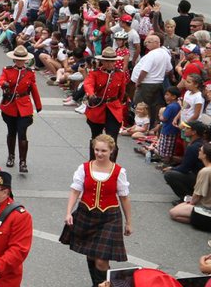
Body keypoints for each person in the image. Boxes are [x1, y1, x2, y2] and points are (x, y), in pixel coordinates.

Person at [65, 134, 133, 287]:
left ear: (111, 151)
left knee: (101, 260)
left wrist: (129, 222)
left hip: (110, 218)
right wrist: (69, 212)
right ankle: (98, 284)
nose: (99, 153)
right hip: (86, 215)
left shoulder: (118, 171)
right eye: (96, 150)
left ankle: (101, 285)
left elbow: (124, 197)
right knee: (91, 254)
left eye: (103, 150)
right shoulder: (84, 168)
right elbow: (75, 191)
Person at [0, 45, 42, 173]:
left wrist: (38, 105)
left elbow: (33, 89)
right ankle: (11, 156)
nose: (20, 62)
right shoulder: (7, 70)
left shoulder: (29, 73)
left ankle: (23, 162)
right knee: (11, 132)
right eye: (17, 59)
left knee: (22, 133)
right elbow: (1, 80)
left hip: (24, 106)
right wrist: (4, 84)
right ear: (14, 60)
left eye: (22, 60)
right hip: (10, 105)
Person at [84, 50, 129, 159]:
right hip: (98, 107)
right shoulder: (95, 73)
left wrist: (118, 103)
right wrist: (91, 95)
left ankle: (111, 165)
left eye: (112, 61)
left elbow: (121, 92)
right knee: (96, 137)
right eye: (106, 61)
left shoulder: (120, 74)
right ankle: (93, 163)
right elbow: (88, 84)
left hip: (113, 108)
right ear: (102, 61)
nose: (109, 64)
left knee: (112, 139)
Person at [169, 142, 211, 225]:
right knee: (179, 208)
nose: (198, 151)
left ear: (205, 155)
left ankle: (203, 222)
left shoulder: (206, 171)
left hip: (206, 208)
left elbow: (197, 195)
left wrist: (190, 203)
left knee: (173, 213)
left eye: (200, 150)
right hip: (205, 204)